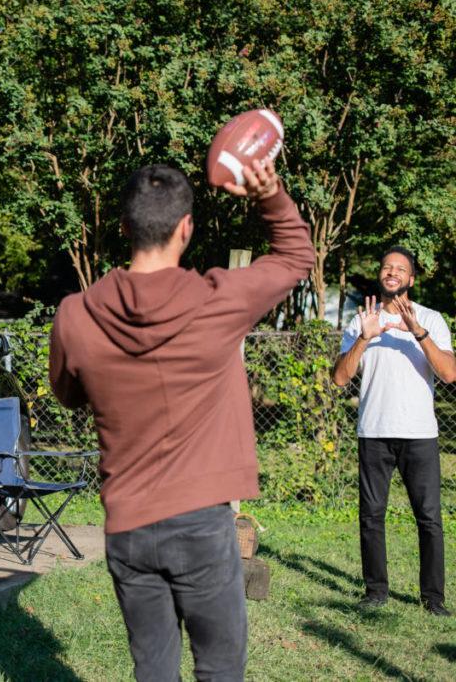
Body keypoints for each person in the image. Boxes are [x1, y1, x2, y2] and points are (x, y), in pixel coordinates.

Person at [49, 160, 314, 680]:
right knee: (219, 670)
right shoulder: (219, 301)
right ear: (186, 228)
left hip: (127, 527)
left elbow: (68, 394)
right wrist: (270, 193)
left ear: (124, 227)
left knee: (153, 670)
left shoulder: (74, 315)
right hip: (199, 523)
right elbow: (296, 255)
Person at [332, 247, 453, 617]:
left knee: (429, 518)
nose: (392, 272)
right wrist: (365, 337)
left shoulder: (431, 318)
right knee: (371, 516)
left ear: (411, 279)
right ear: (381, 275)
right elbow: (339, 379)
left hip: (419, 433)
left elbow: (449, 374)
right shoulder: (362, 320)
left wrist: (419, 332)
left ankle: (433, 598)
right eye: (387, 267)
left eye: (400, 269)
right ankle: (376, 591)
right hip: (374, 431)